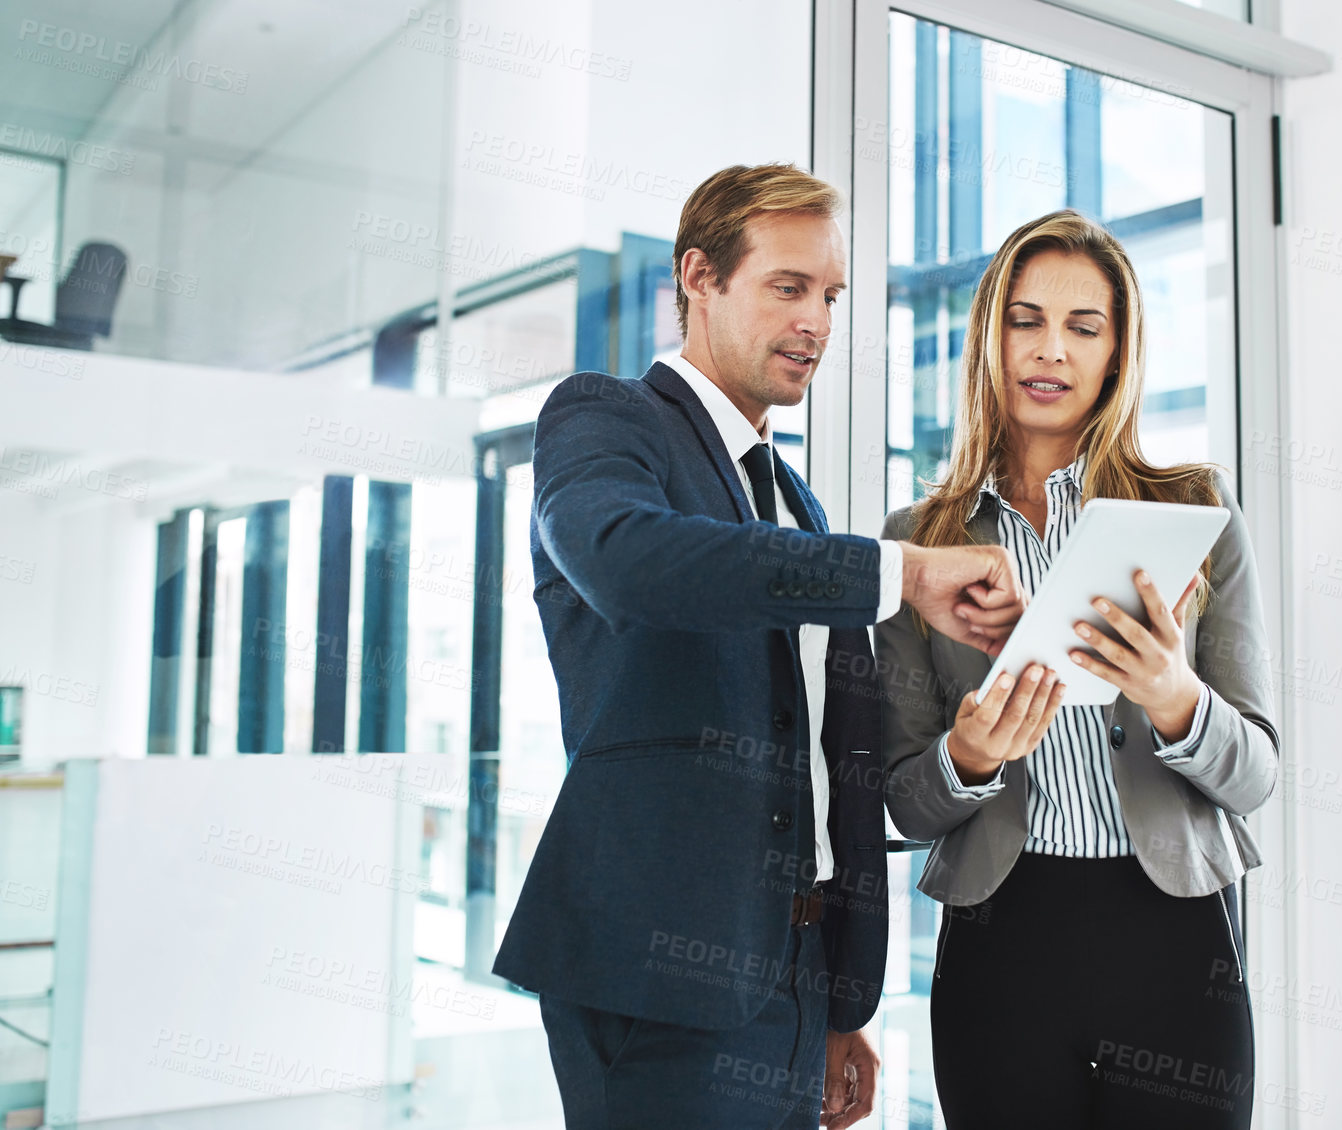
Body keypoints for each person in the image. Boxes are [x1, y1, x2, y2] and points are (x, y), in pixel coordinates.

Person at [492, 164, 1027, 1129]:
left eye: (831, 295)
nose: (818, 320)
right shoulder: (606, 418)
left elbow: (824, 764)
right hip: (659, 978)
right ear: (698, 277)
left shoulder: (791, 499)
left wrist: (833, 1002)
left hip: (793, 982)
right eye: (789, 286)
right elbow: (627, 561)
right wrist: (901, 573)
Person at [876, 210, 1280, 1130]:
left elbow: (1255, 774)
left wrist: (1175, 698)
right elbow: (903, 801)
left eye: (1082, 326)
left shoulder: (1195, 512)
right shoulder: (920, 544)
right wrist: (967, 759)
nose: (1049, 349)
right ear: (989, 335)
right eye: (1025, 319)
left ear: (1115, 352)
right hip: (1000, 941)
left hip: (1174, 937)